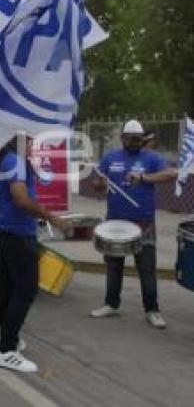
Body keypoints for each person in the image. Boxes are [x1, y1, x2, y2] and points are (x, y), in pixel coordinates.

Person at [0, 136, 69, 373]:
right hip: (18, 234)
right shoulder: (13, 161)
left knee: (8, 289)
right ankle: (6, 350)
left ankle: (9, 338)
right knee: (26, 290)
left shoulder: (3, 159)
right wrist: (51, 217)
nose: (31, 144)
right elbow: (21, 198)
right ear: (15, 139)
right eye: (28, 139)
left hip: (7, 231)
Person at [90, 120, 177, 328]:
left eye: (138, 139)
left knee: (146, 268)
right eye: (130, 139)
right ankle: (111, 304)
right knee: (113, 266)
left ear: (142, 139)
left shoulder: (151, 158)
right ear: (123, 138)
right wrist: (100, 184)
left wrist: (144, 177)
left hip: (143, 222)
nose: (134, 142)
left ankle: (152, 310)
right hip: (115, 221)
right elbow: (97, 184)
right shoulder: (110, 158)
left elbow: (171, 173)